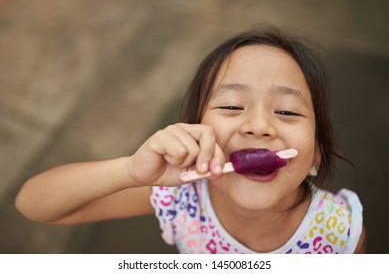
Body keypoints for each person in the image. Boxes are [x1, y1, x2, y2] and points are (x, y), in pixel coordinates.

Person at [15, 27, 366, 254]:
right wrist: (130, 171)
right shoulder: (181, 194)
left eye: (287, 112)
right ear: (196, 133)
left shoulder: (341, 234)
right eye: (231, 106)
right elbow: (33, 205)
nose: (259, 126)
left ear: (316, 152)